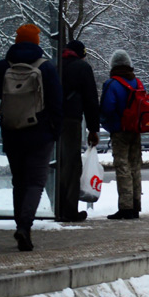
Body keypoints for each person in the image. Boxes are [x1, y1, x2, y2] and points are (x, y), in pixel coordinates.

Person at [0, 24, 62, 251]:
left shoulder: (3, 66)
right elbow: (56, 101)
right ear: (37, 42)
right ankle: (25, 226)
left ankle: (21, 225)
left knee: (19, 181)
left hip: (11, 130)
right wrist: (55, 130)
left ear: (17, 40)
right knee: (35, 182)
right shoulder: (46, 67)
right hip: (39, 132)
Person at [58, 40, 100, 222]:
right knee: (72, 164)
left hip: (51, 120)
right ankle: (69, 210)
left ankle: (55, 207)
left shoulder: (54, 65)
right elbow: (91, 100)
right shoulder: (82, 68)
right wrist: (93, 129)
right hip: (71, 120)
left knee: (56, 163)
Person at [100, 50, 145, 219]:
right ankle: (136, 205)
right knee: (135, 166)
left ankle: (125, 207)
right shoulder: (137, 82)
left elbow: (107, 108)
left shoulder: (112, 84)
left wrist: (108, 124)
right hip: (136, 130)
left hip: (120, 131)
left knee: (122, 167)